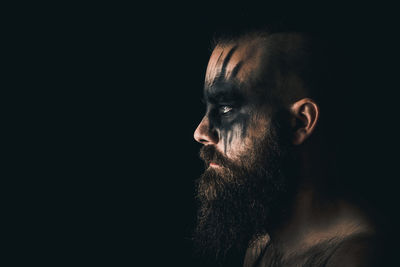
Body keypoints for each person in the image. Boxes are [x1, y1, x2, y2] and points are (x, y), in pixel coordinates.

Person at [192, 29, 386, 266]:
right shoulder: (263, 245)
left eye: (225, 108)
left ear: (299, 123)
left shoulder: (357, 258)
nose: (200, 132)